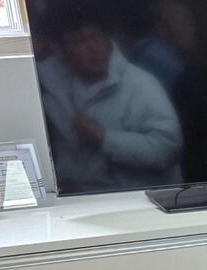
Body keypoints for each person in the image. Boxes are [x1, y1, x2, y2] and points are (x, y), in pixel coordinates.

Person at [34, 7, 183, 192]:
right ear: (62, 51)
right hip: (79, 203)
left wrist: (105, 138)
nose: (94, 49)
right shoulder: (53, 91)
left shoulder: (141, 85)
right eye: (81, 41)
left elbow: (167, 149)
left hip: (143, 203)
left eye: (96, 37)